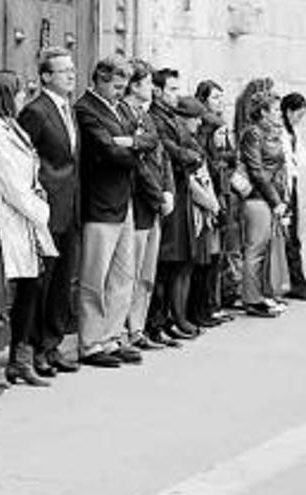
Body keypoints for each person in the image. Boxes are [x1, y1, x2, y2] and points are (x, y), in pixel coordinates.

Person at [75, 55, 155, 368]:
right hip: (100, 203)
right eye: (117, 86)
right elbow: (108, 151)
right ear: (100, 80)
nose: (121, 92)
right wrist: (134, 147)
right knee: (95, 276)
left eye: (124, 87)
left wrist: (130, 142)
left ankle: (111, 336)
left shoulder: (120, 107)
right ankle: (91, 343)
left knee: (124, 274)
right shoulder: (86, 108)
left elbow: (151, 139)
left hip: (125, 202)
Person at [0, 70, 57, 387]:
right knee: (6, 292)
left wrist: (38, 191)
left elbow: (29, 171)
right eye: (19, 91)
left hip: (27, 218)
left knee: (32, 285)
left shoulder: (13, 128)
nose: (23, 97)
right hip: (13, 218)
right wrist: (41, 209)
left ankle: (20, 359)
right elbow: (12, 185)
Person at [17, 46, 81, 377]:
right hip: (46, 209)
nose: (71, 74)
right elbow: (24, 161)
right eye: (63, 70)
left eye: (72, 69)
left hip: (70, 207)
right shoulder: (36, 111)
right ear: (45, 76)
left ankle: (52, 345)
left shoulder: (68, 109)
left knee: (62, 281)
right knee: (42, 282)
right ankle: (34, 348)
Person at [121, 59, 176, 350]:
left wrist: (168, 190)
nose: (152, 89)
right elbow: (139, 164)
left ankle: (138, 328)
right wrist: (158, 195)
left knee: (147, 274)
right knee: (130, 272)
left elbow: (162, 156)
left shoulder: (148, 116)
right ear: (134, 85)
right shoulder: (126, 115)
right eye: (147, 84)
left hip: (155, 202)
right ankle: (125, 329)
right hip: (140, 202)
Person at [148, 68, 202, 341]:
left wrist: (191, 155)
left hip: (181, 192)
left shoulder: (172, 116)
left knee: (178, 261)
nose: (176, 95)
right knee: (164, 263)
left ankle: (172, 317)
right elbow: (170, 149)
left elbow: (194, 148)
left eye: (177, 89)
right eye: (171, 89)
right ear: (157, 90)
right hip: (169, 193)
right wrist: (190, 156)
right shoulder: (155, 117)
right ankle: (158, 322)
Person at [238, 90, 289, 317]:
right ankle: (252, 299)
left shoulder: (268, 133)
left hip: (268, 198)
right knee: (255, 249)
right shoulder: (253, 134)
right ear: (263, 112)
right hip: (258, 198)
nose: (279, 114)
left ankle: (263, 295)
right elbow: (256, 172)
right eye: (276, 110)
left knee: (263, 248)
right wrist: (275, 200)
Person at [193, 80, 235, 326]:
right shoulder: (206, 126)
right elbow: (209, 161)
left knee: (217, 254)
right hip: (210, 194)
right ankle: (205, 307)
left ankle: (213, 303)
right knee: (207, 255)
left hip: (221, 191)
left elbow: (230, 155)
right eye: (215, 97)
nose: (220, 102)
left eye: (222, 97)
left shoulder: (220, 125)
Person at [177, 96, 221, 330]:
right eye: (195, 119)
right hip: (196, 207)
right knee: (189, 267)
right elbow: (193, 180)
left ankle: (200, 311)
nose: (197, 123)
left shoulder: (196, 143)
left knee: (202, 264)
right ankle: (186, 315)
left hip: (205, 206)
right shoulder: (188, 142)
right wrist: (211, 203)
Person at [280, 92, 306, 301]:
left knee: (294, 237)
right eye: (298, 115)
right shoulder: (279, 131)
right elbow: (286, 161)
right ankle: (296, 284)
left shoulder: (293, 130)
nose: (300, 119)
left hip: (292, 185)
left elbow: (303, 158)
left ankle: (297, 283)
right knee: (288, 237)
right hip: (282, 188)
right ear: (288, 111)